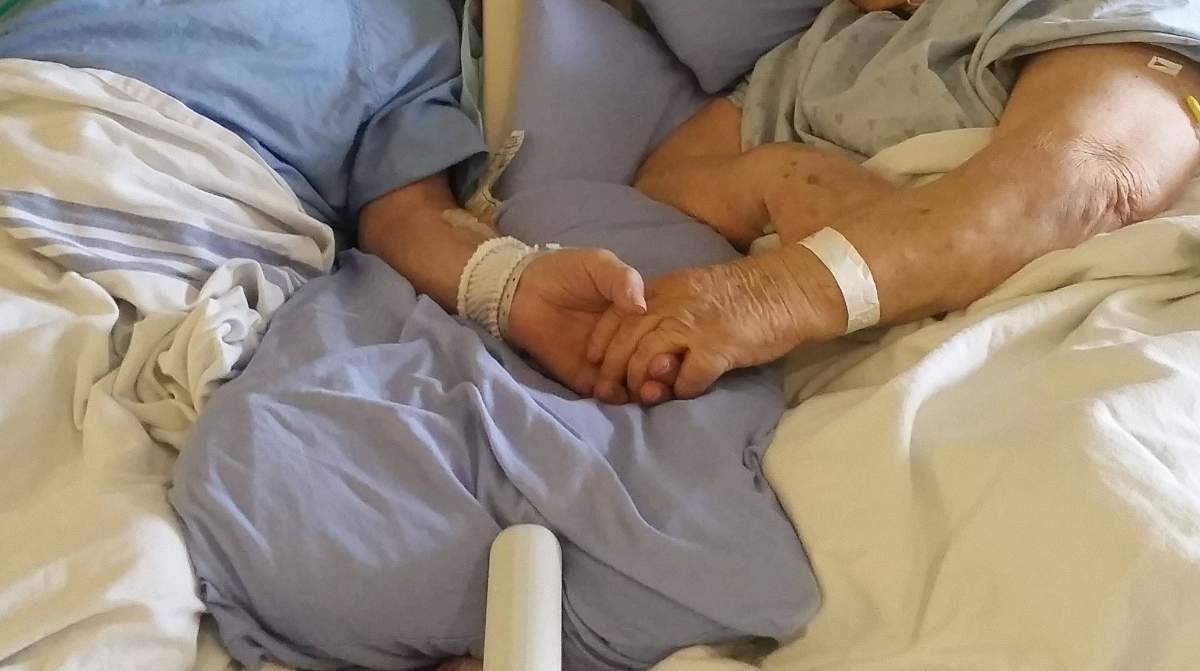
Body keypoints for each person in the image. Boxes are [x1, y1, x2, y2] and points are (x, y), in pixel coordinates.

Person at [583, 0, 1200, 406]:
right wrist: (778, 175)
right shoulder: (805, 60)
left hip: (1081, 329)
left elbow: (1097, 176)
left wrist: (775, 293)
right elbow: (665, 182)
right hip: (872, 373)